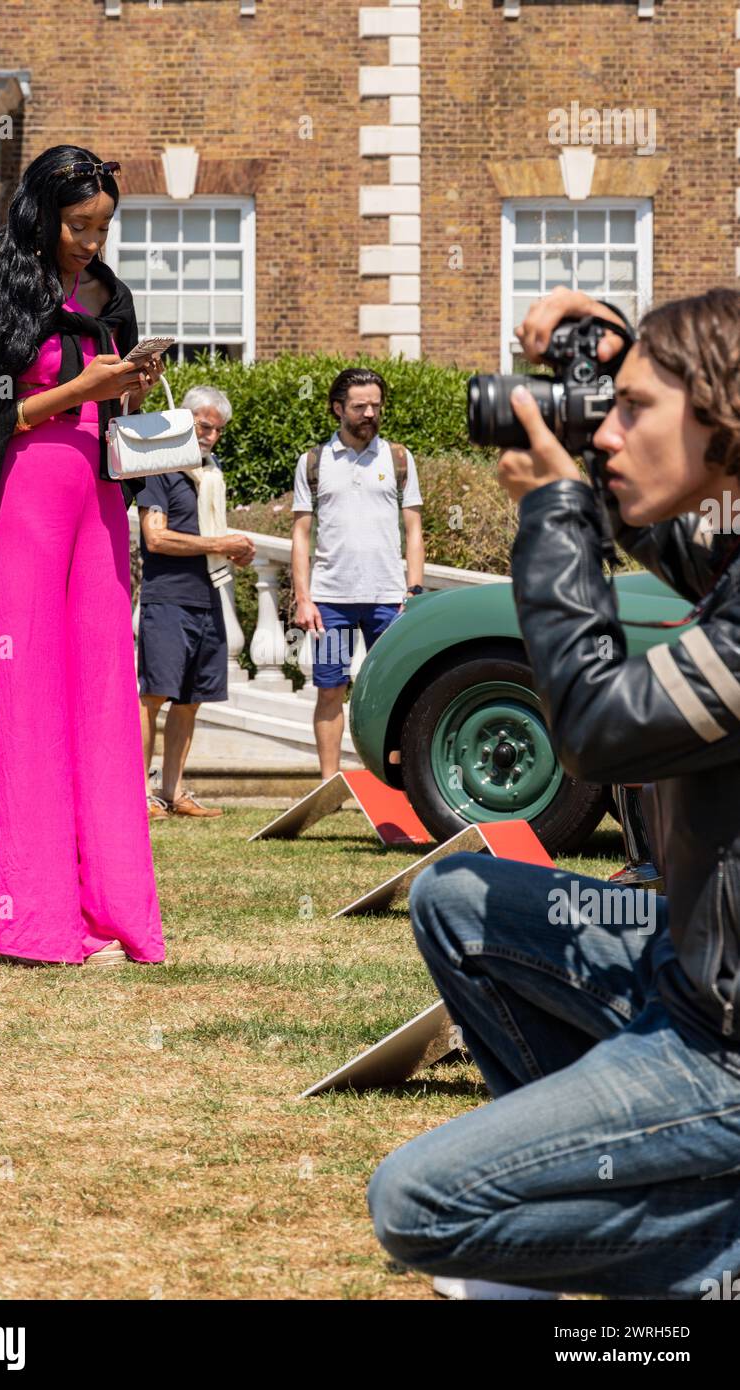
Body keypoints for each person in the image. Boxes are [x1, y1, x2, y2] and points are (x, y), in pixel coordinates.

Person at [368, 285, 740, 1300]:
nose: (602, 432)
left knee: (415, 1203)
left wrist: (549, 512)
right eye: (602, 404)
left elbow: (591, 728)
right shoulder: (731, 533)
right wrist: (606, 347)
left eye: (629, 408)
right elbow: (677, 540)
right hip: (691, 963)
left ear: (719, 418)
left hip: (725, 1043)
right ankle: (600, 1179)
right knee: (460, 902)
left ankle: (710, 1265)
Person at [0, 144, 167, 968]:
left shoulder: (111, 296)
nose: (92, 239)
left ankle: (109, 908)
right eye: (79, 224)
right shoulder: (1, 296)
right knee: (32, 693)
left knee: (103, 693)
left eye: (104, 225)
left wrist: (133, 385)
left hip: (99, 504)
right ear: (42, 215)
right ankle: (35, 917)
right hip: (28, 502)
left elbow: (113, 407)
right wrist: (82, 390)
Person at [291, 368, 424, 779]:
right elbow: (300, 533)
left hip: (389, 602)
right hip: (331, 602)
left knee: (397, 691)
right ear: (337, 409)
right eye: (359, 406)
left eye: (375, 406)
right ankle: (329, 783)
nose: (369, 413)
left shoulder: (399, 458)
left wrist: (414, 591)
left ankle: (398, 783)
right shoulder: (313, 462)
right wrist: (304, 597)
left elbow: (414, 527)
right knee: (330, 689)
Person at [136, 385, 255, 821]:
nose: (211, 436)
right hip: (167, 598)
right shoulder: (161, 466)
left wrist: (232, 550)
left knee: (191, 700)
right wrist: (218, 542)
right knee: (154, 695)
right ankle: (139, 794)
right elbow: (155, 536)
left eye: (218, 429)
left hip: (208, 595)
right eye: (205, 426)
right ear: (185, 421)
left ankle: (172, 791)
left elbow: (206, 536)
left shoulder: (210, 471)